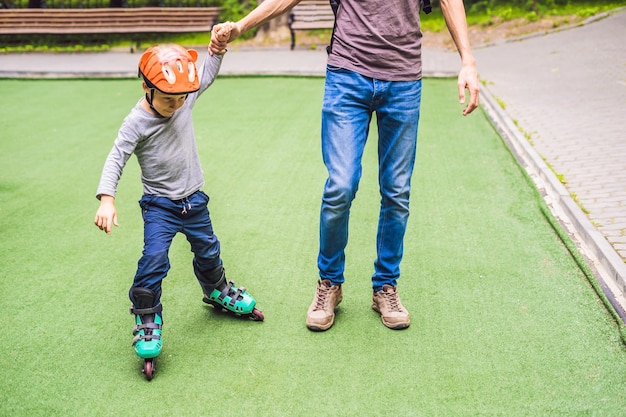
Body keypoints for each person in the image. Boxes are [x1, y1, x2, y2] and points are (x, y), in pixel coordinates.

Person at [210, 0, 480, 332]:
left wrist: (467, 59)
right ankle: (329, 284)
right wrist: (241, 26)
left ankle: (385, 286)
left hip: (404, 80)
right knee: (341, 184)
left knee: (397, 191)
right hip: (347, 76)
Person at [94, 39, 263, 375]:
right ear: (146, 86)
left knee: (208, 250)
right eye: (169, 99)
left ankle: (217, 289)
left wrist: (216, 51)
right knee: (154, 259)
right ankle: (146, 317)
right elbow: (117, 158)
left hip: (194, 200)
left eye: (181, 98)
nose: (177, 105)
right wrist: (107, 198)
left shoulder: (182, 99)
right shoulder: (135, 122)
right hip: (159, 206)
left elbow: (206, 77)